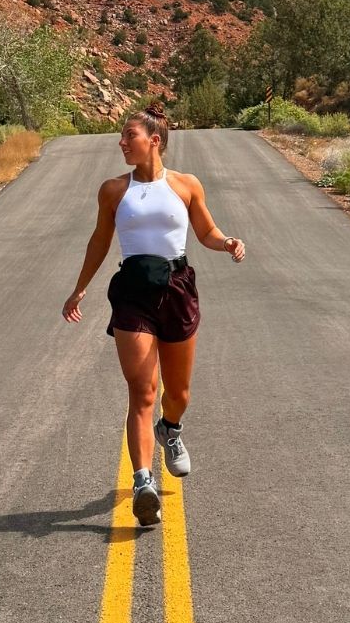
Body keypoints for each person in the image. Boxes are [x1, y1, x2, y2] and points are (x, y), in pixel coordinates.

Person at [61, 103, 246, 528]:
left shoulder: (185, 185)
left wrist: (228, 243)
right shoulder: (113, 191)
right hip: (133, 294)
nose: (122, 143)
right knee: (142, 392)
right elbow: (100, 241)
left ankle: (171, 431)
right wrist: (80, 287)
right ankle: (143, 482)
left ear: (154, 141)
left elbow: (205, 231)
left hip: (178, 289)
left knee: (177, 393)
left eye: (130, 136)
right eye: (122, 136)